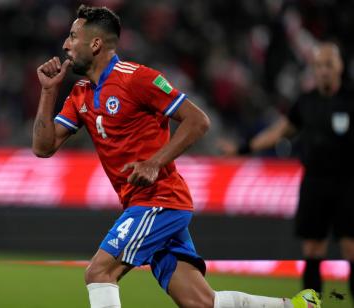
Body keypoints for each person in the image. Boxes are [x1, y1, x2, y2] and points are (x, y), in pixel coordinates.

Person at [32, 4, 321, 308]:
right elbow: (43, 147)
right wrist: (48, 92)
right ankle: (295, 306)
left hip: (158, 200)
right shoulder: (80, 93)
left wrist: (154, 162)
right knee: (200, 302)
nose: (65, 44)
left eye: (73, 36)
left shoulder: (138, 79)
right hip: (143, 203)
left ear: (95, 43)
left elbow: (198, 120)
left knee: (99, 272)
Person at [221, 42, 354, 301]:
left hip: (348, 185)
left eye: (329, 64)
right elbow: (279, 132)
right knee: (313, 250)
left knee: (351, 247)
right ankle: (312, 305)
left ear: (339, 66)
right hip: (314, 182)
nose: (324, 70)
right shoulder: (306, 102)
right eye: (319, 65)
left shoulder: (351, 100)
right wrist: (243, 148)